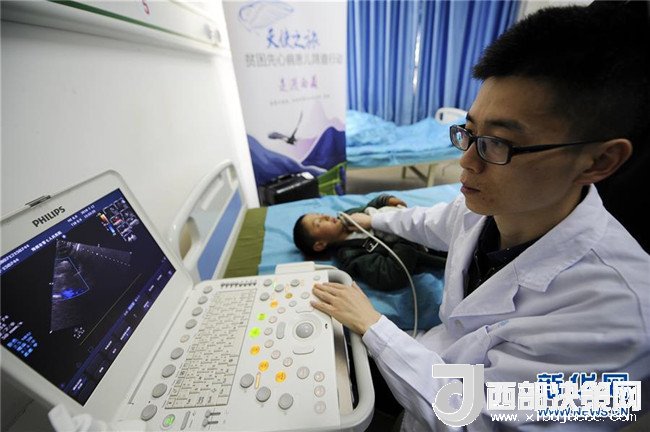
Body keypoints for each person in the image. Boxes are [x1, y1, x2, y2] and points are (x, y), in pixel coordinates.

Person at [311, 3, 650, 431]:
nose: (466, 162)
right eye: (469, 133)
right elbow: (427, 222)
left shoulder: (624, 321)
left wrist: (374, 326)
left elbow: (475, 418)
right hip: (425, 375)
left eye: (499, 142)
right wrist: (371, 219)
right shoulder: (488, 210)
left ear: (599, 161)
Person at [293, 194, 446, 291]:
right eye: (319, 223)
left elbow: (370, 206)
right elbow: (390, 276)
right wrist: (403, 232)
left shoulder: (349, 215)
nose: (325, 216)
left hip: (426, 223)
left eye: (320, 214)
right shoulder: (351, 256)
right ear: (320, 245)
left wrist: (385, 200)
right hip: (430, 247)